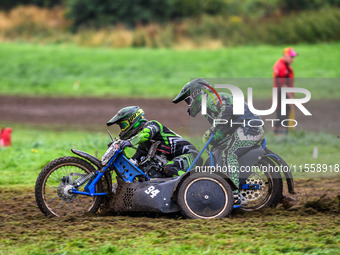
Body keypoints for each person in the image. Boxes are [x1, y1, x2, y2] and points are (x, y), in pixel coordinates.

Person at [172, 78, 297, 208]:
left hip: (249, 128)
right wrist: (215, 135)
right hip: (243, 128)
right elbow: (225, 127)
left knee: (228, 152)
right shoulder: (210, 104)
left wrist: (214, 130)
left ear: (196, 94)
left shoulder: (212, 99)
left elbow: (227, 110)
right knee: (217, 152)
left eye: (188, 100)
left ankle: (234, 194)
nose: (188, 104)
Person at [106, 106, 199, 177]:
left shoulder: (153, 125)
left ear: (133, 120)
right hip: (175, 161)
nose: (122, 129)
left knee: (170, 168)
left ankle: (195, 184)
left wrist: (129, 142)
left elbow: (146, 134)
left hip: (192, 155)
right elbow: (132, 165)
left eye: (123, 125)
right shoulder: (144, 146)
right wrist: (120, 155)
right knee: (145, 172)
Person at [273, 47, 298, 135]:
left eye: (293, 57)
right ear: (285, 56)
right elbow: (283, 84)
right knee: (282, 115)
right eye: (291, 57)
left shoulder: (285, 66)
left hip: (283, 94)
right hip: (281, 95)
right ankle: (280, 136)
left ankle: (280, 135)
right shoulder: (281, 66)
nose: (293, 59)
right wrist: (291, 98)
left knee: (284, 114)